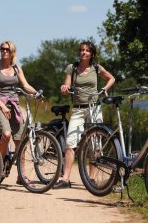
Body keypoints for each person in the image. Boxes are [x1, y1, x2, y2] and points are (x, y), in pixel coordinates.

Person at [54, 41, 115, 189]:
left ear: (92, 54)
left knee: (95, 145)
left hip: (94, 108)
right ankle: (65, 179)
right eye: (82, 50)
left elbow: (111, 78)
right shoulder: (72, 68)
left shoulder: (96, 67)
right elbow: (67, 84)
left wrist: (104, 89)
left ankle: (91, 178)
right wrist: (65, 88)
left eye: (87, 51)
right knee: (70, 142)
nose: (84, 52)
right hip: (78, 109)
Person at [0, 40, 38, 184]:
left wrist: (37, 93)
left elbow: (25, 85)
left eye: (7, 49)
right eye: (2, 48)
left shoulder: (16, 69)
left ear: (12, 52)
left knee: (20, 140)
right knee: (7, 134)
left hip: (14, 105)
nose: (4, 51)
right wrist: (2, 106)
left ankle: (21, 175)